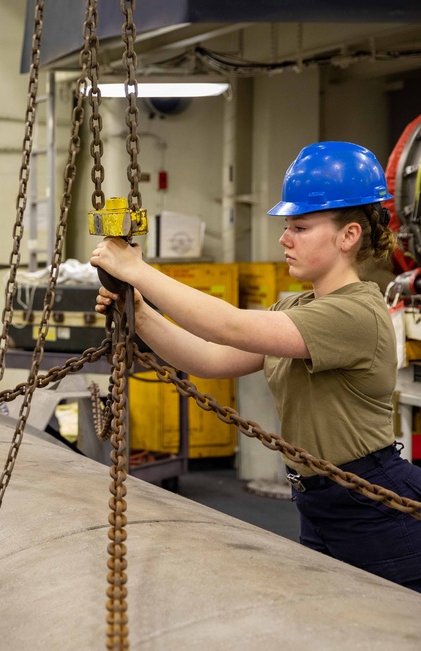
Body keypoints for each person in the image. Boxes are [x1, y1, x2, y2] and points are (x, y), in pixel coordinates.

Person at [91, 141, 421, 593]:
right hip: (317, 502)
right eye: (287, 226)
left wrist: (138, 270)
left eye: (301, 227)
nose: (285, 239)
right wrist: (141, 315)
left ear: (348, 236)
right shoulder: (296, 306)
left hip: (375, 508)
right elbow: (208, 358)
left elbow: (230, 327)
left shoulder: (358, 313)